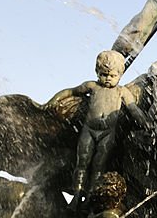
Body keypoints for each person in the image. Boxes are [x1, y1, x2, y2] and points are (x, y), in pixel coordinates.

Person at [46, 50, 147, 208]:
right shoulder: (91, 86)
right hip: (89, 130)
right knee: (82, 162)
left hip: (108, 133)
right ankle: (77, 194)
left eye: (112, 76)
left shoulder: (122, 91)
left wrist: (145, 122)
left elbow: (134, 109)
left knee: (99, 165)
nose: (107, 79)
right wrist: (54, 99)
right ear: (97, 72)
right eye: (103, 74)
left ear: (120, 74)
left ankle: (92, 197)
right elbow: (71, 91)